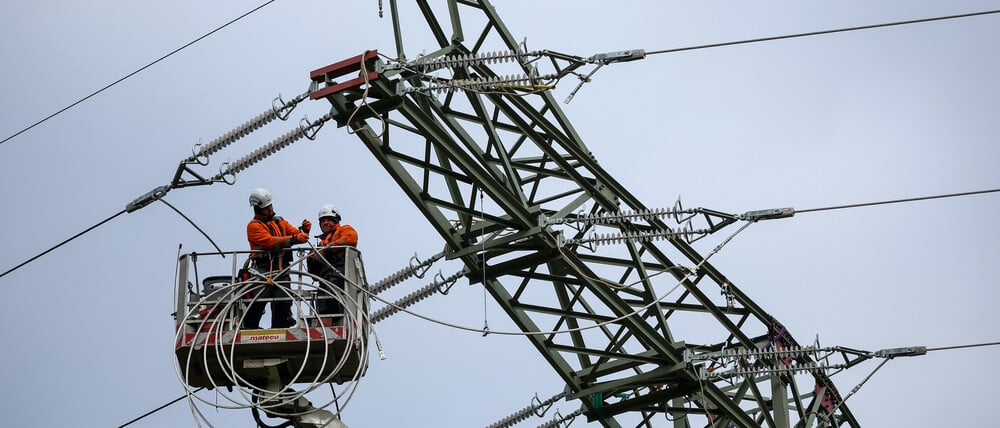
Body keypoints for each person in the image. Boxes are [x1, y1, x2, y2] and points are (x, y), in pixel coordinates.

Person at [243, 188, 312, 329]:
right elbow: (270, 242)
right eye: (266, 207)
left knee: (283, 298)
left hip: (281, 267)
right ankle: (250, 326)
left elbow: (295, 234)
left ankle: (280, 326)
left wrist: (304, 232)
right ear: (258, 208)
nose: (270, 209)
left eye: (270, 205)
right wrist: (294, 238)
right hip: (263, 268)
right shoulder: (253, 226)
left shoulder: (279, 221)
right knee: (259, 298)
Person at [307, 204, 358, 319]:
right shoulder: (319, 245)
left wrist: (327, 249)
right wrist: (311, 260)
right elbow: (314, 276)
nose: (325, 223)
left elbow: (351, 238)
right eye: (323, 221)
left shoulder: (344, 230)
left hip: (340, 277)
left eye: (329, 220)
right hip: (325, 283)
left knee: (332, 299)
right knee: (324, 302)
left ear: (335, 220)